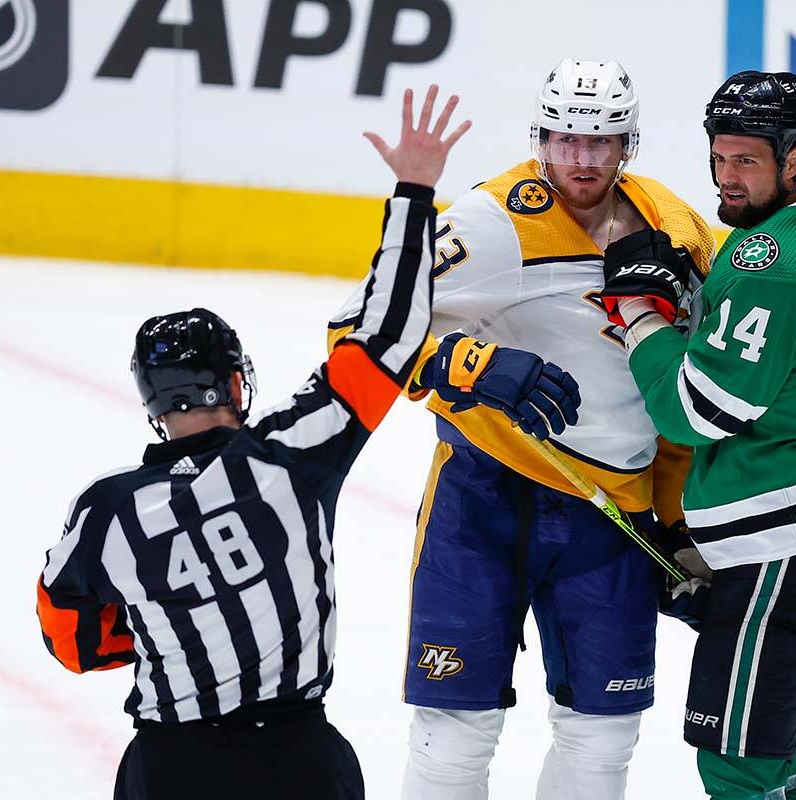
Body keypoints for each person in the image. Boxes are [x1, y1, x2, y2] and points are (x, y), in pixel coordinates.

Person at [35, 85, 471, 800]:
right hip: (296, 759)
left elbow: (70, 641)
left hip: (169, 768)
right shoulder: (289, 455)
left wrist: (166, 626)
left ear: (154, 404)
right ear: (235, 384)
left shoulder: (105, 512)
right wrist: (414, 191)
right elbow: (390, 336)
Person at [330, 60, 714, 799]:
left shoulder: (677, 229)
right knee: (453, 733)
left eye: (602, 142)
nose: (582, 159)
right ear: (540, 136)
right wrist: (464, 363)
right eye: (566, 138)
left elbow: (684, 396)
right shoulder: (492, 220)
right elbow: (359, 328)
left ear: (628, 144)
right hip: (484, 497)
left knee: (602, 737)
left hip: (614, 515)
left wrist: (678, 524)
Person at [598, 71, 796, 799]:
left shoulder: (774, 265)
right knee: (786, 757)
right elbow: (774, 361)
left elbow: (694, 409)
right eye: (720, 158)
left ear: (795, 158)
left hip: (788, 541)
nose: (727, 179)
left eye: (748, 162)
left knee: (737, 767)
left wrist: (641, 314)